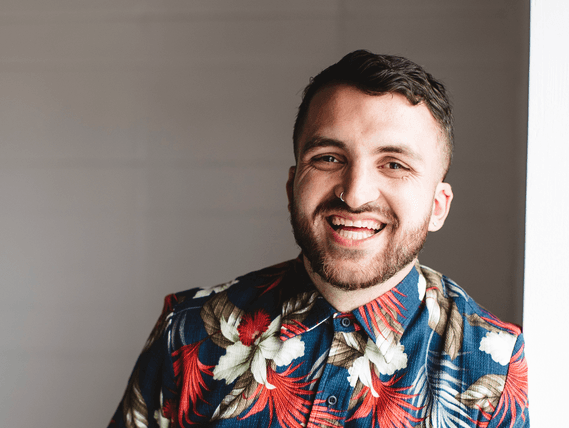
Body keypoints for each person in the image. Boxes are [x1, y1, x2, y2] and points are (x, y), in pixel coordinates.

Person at [108, 50, 529, 427]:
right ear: (292, 187)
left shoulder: (493, 365)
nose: (355, 194)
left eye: (394, 164)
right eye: (329, 158)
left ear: (438, 206)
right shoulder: (186, 329)